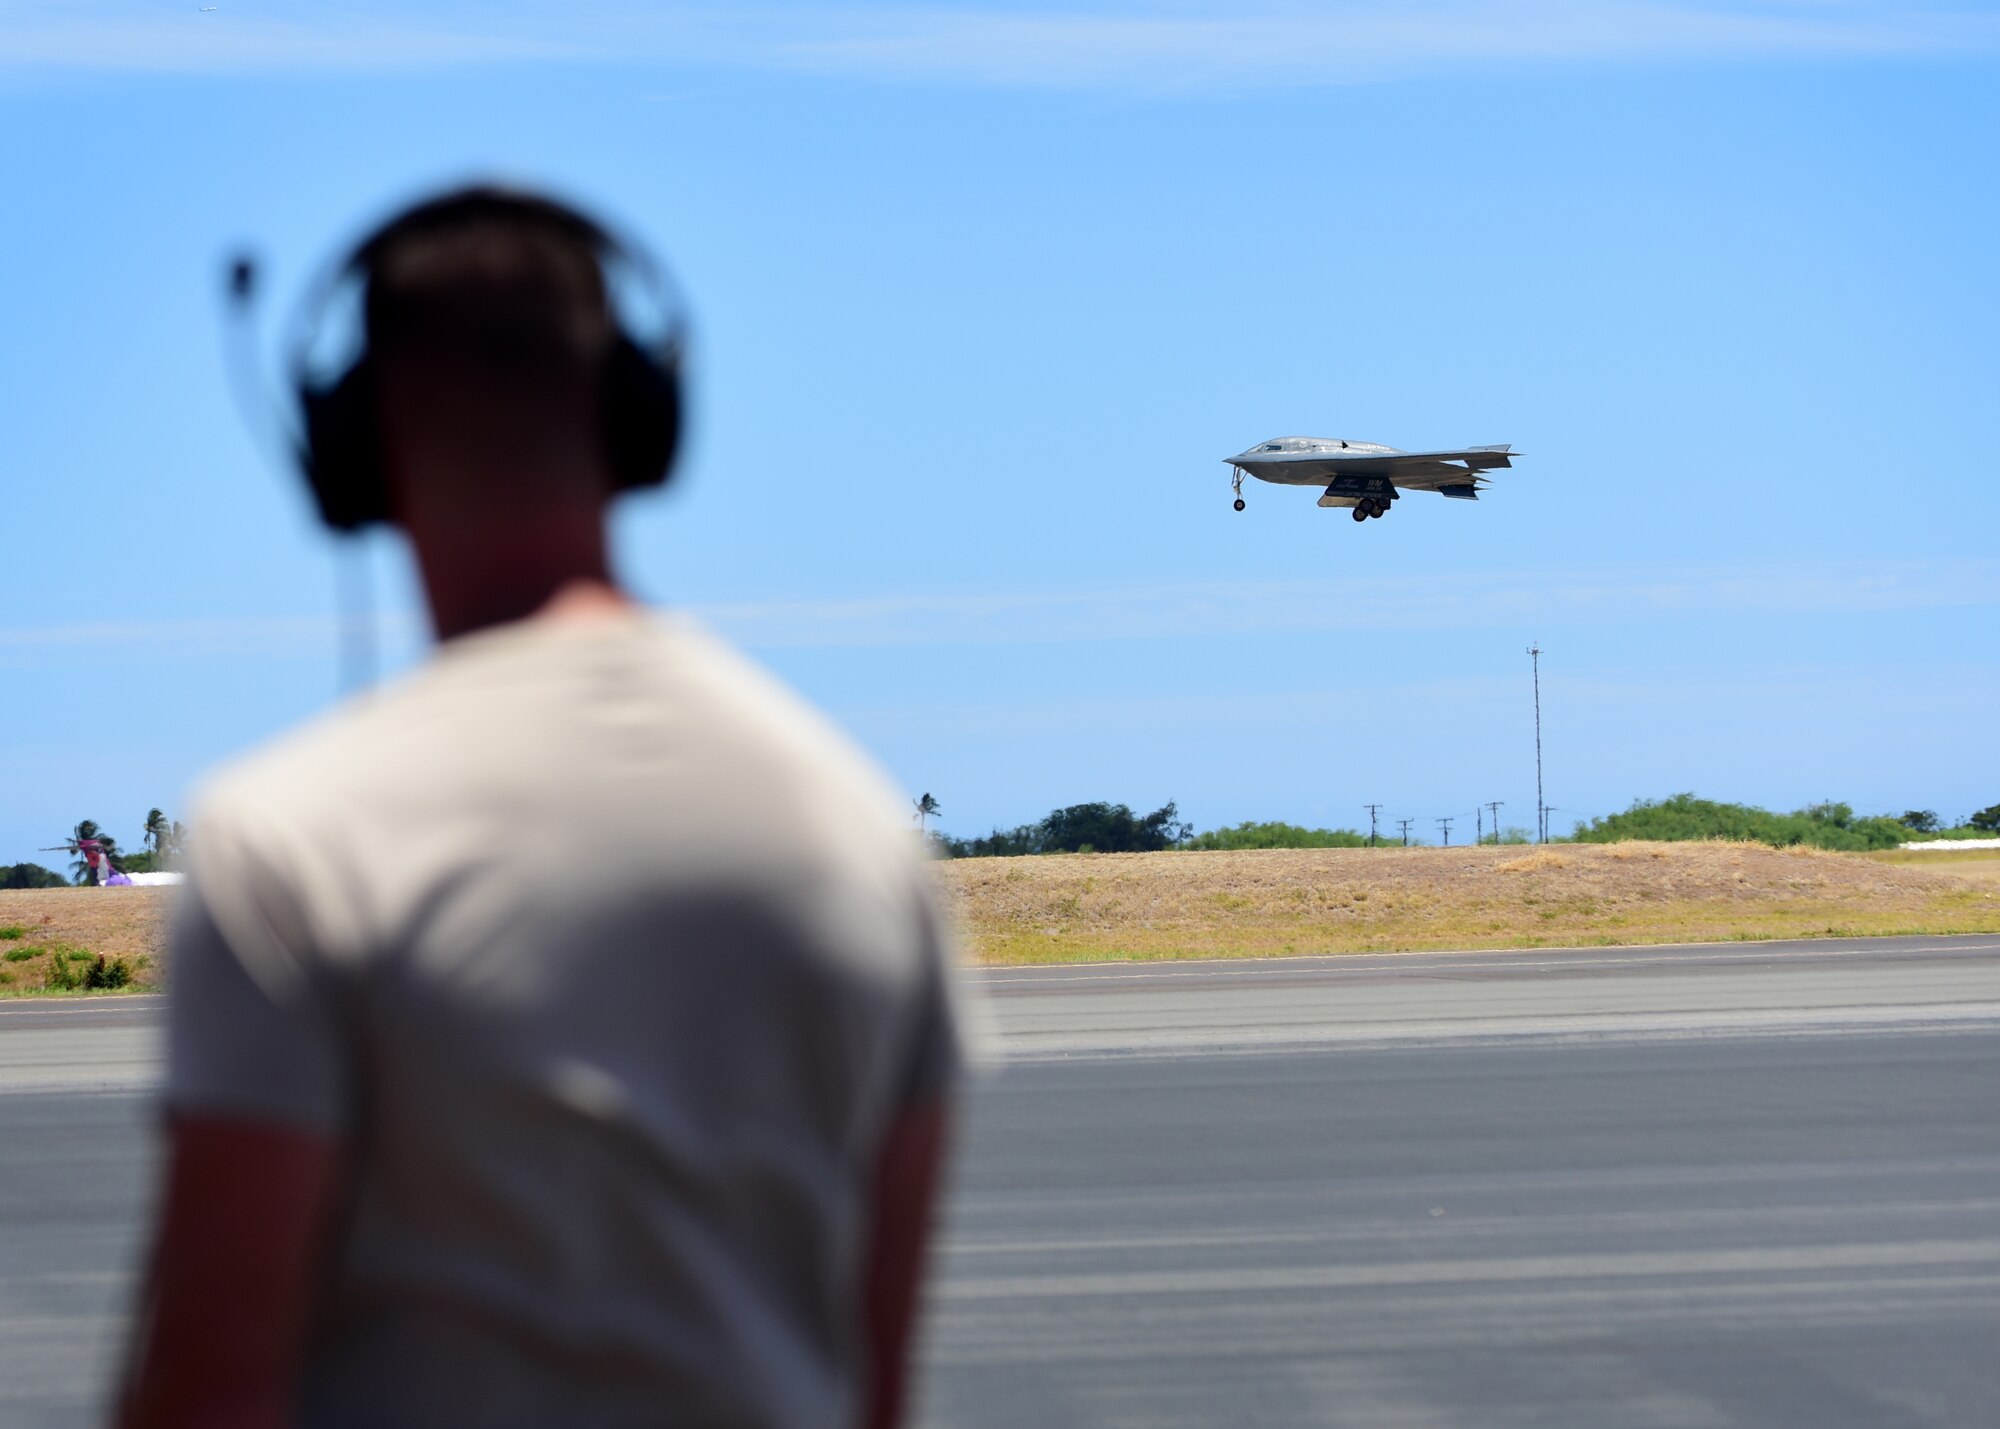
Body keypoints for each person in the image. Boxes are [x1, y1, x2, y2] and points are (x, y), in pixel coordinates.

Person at [117, 187, 969, 1429]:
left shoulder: (292, 838)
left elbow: (208, 1386)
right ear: (638, 423)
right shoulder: (857, 833)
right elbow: (872, 1388)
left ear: (348, 444)